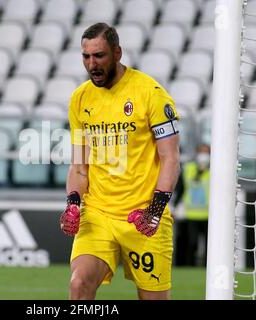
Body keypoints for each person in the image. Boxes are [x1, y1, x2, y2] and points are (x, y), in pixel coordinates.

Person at [59, 23, 180, 300]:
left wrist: (156, 209)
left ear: (117, 53)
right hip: (99, 214)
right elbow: (79, 166)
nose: (92, 64)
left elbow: (170, 158)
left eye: (99, 56)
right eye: (86, 57)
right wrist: (73, 203)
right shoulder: (80, 99)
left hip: (143, 216)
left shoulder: (150, 93)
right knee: (79, 285)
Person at [182, 144, 211, 266]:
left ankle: (207, 267)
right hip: (191, 213)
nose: (203, 155)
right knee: (191, 243)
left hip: (209, 214)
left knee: (210, 245)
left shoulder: (215, 169)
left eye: (206, 152)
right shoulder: (188, 168)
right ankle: (190, 267)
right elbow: (181, 187)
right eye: (201, 152)